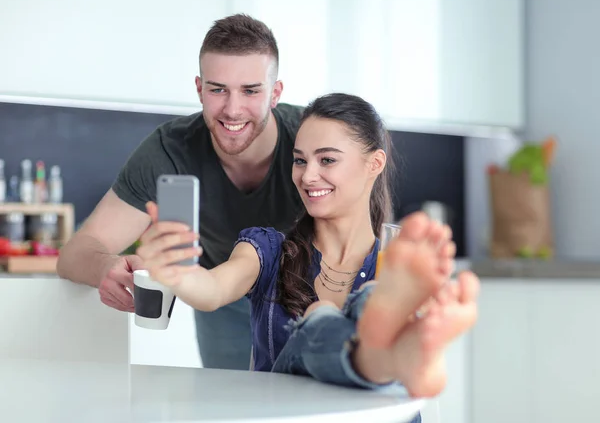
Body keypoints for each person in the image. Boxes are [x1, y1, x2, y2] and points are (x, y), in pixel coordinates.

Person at [136, 93, 479, 421]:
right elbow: (211, 290)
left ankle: (384, 344)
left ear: (374, 163)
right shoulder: (268, 250)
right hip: (290, 419)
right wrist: (179, 272)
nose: (307, 175)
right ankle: (386, 355)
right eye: (300, 159)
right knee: (321, 318)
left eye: (327, 159)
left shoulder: (399, 262)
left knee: (360, 303)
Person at [56, 13, 305, 370]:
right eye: (218, 89)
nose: (233, 109)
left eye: (250, 90)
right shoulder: (168, 151)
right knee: (228, 406)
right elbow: (74, 253)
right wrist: (105, 268)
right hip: (218, 296)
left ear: (275, 93)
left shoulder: (311, 138)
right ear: (199, 89)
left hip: (306, 292)